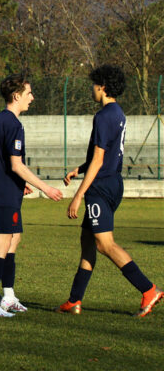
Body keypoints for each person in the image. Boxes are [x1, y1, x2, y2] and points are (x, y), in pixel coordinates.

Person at [57, 65, 162, 317]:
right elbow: (103, 156)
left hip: (100, 187)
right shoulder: (118, 113)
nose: (91, 89)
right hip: (113, 182)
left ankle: (149, 290)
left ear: (102, 87)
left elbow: (99, 159)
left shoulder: (103, 116)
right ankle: (74, 300)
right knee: (87, 242)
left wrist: (79, 194)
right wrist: (78, 169)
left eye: (94, 85)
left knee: (104, 244)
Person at [0, 73, 63, 317]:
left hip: (2, 190)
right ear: (16, 96)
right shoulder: (13, 123)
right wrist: (44, 187)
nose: (32, 98)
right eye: (29, 94)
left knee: (13, 240)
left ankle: (8, 296)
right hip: (2, 194)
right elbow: (16, 164)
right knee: (2, 243)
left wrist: (20, 183)